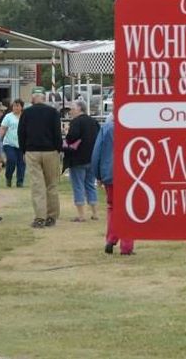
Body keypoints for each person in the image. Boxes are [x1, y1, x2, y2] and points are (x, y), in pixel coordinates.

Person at [18, 87, 64, 228]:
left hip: (32, 151)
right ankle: (52, 216)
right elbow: (58, 133)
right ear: (44, 97)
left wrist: (23, 150)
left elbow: (21, 133)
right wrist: (58, 149)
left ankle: (39, 218)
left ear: (33, 97)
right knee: (52, 185)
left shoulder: (26, 113)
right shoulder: (53, 112)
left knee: (37, 185)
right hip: (51, 151)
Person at [91, 113, 134, 255]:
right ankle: (126, 246)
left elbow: (97, 152)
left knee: (112, 207)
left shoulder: (106, 128)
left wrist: (98, 174)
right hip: (129, 173)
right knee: (128, 209)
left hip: (110, 173)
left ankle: (111, 238)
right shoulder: (133, 126)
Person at [64, 99, 100, 222]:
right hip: (92, 158)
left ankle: (81, 215)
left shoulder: (76, 122)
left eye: (72, 109)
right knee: (90, 185)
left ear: (79, 108)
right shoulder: (94, 122)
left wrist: (66, 132)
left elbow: (71, 138)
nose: (70, 112)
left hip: (78, 158)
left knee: (78, 186)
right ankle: (95, 213)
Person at [0, 99, 25, 187]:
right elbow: (3, 129)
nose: (15, 108)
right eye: (14, 106)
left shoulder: (25, 116)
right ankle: (8, 177)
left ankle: (20, 181)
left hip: (21, 144)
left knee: (21, 163)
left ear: (21, 107)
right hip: (9, 143)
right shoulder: (8, 117)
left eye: (17, 106)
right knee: (11, 160)